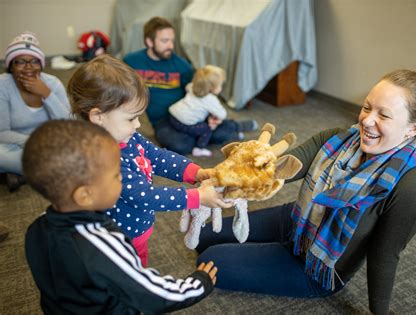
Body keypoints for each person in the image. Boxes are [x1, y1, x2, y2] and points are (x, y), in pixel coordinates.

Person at [195, 69, 416, 314]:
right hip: (296, 220)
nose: (366, 120)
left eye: (383, 115)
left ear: (413, 128)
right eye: (367, 107)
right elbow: (283, 168)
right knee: (203, 235)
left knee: (210, 260)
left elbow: (384, 257)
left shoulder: (411, 189)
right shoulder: (337, 139)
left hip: (316, 266)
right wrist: (229, 175)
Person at [23, 119, 218, 314]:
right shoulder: (102, 245)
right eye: (116, 177)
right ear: (84, 195)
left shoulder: (36, 228)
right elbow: (153, 294)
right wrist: (199, 283)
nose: (122, 180)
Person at [68, 54, 231, 267]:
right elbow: (144, 197)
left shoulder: (126, 136)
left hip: (135, 230)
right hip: (117, 241)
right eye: (130, 118)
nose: (137, 125)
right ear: (98, 116)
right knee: (126, 281)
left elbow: (157, 157)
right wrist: (197, 197)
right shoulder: (101, 159)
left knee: (139, 271)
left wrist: (195, 172)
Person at [123, 16, 256, 155]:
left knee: (209, 128)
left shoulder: (182, 65)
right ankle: (222, 130)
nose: (171, 46)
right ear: (149, 41)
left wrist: (210, 116)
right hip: (162, 121)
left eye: (172, 41)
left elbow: (199, 93)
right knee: (180, 145)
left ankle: (233, 125)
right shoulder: (131, 62)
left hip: (188, 114)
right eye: (164, 41)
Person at [0, 31, 70, 192]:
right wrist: (35, 142)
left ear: (41, 64)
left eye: (34, 61)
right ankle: (51, 171)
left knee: (77, 143)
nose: (29, 67)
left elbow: (69, 124)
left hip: (51, 142)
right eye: (20, 62)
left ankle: (24, 173)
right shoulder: (3, 85)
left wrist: (46, 94)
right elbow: (2, 132)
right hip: (14, 144)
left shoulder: (52, 83)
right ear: (11, 65)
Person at [169, 65, 258, 157]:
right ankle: (199, 149)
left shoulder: (191, 87)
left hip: (173, 115)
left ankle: (235, 130)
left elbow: (187, 87)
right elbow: (222, 114)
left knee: (211, 124)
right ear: (212, 88)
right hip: (186, 123)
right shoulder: (210, 100)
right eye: (220, 85)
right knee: (207, 129)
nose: (221, 87)